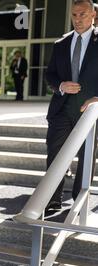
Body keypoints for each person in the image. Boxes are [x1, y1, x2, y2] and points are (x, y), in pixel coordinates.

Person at [45, 0, 98, 213]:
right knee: (55, 154)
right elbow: (49, 75)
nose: (78, 19)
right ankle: (52, 200)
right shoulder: (61, 44)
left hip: (90, 112)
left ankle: (78, 201)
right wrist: (60, 85)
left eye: (82, 14)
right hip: (62, 110)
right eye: (74, 15)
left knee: (86, 157)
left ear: (93, 14)